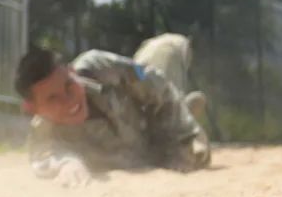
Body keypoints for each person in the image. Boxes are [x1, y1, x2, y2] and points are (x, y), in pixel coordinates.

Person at [15, 34, 210, 188]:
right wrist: (67, 164)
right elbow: (45, 156)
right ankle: (185, 108)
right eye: (53, 99)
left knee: (198, 155)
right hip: (141, 155)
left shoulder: (99, 67)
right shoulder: (43, 131)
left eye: (68, 85)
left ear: (72, 71)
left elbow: (158, 88)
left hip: (157, 121)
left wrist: (177, 142)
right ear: (33, 109)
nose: (69, 100)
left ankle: (184, 111)